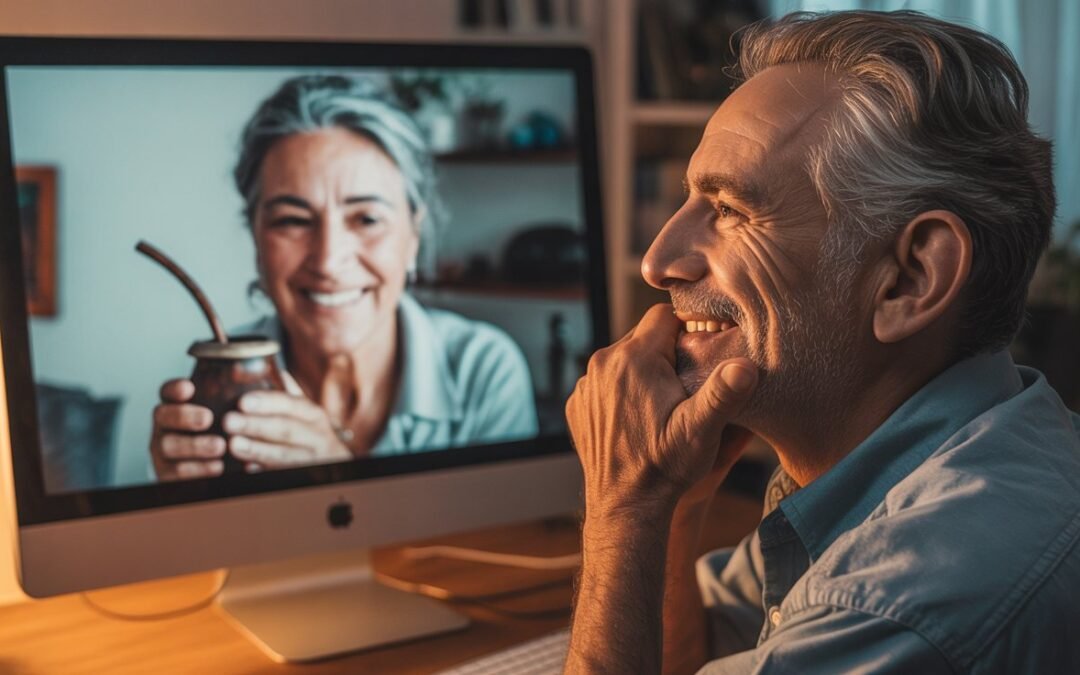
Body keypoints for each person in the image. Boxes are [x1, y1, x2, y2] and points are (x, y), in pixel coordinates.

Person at [564, 10, 1080, 674]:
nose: (660, 261)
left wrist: (623, 510)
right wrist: (673, 502)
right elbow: (705, 652)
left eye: (729, 211)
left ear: (910, 279)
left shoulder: (904, 602)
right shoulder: (962, 445)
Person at [150, 75, 537, 480]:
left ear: (413, 236)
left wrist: (338, 477)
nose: (329, 261)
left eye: (367, 218)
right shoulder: (219, 383)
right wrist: (183, 507)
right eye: (293, 221)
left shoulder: (482, 370)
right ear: (256, 238)